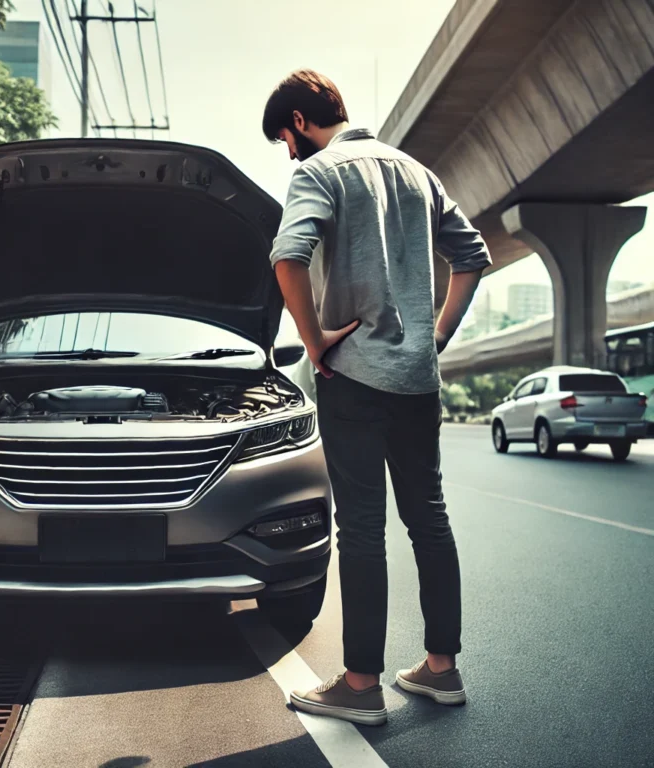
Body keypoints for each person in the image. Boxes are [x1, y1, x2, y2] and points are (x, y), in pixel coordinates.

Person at [262, 70, 492, 726]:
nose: (289, 152)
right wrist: (436, 335)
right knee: (430, 518)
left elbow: (288, 257)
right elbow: (472, 257)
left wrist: (314, 341)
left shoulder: (320, 172)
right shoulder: (418, 173)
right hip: (418, 382)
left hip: (354, 379)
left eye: (285, 137)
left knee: (361, 528)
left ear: (301, 122)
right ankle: (441, 670)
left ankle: (361, 684)